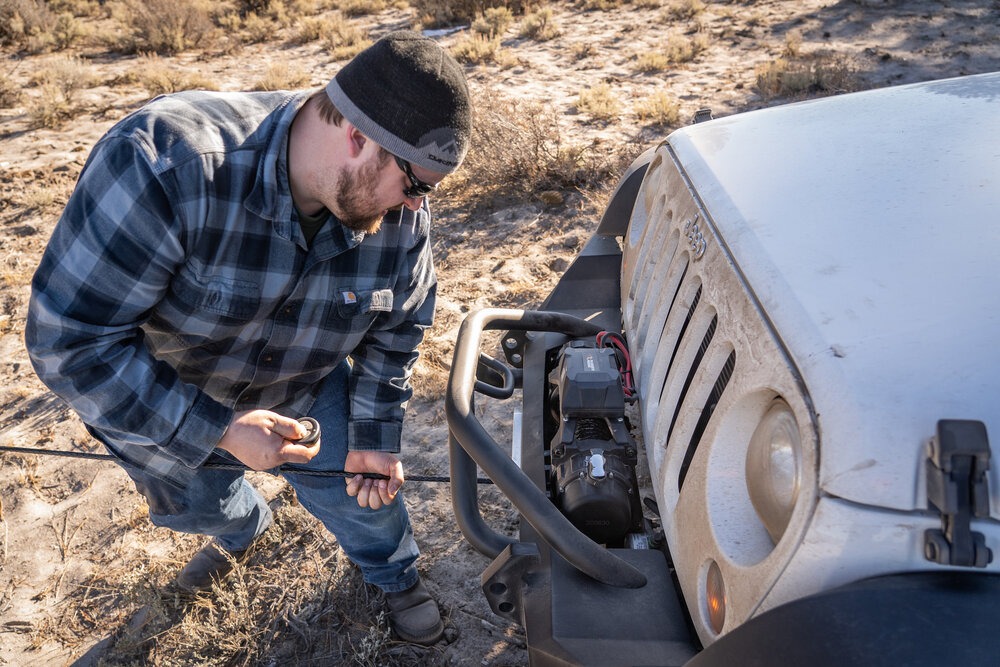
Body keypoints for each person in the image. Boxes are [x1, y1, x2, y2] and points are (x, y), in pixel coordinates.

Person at [24, 30, 471, 646]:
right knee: (199, 505)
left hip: (306, 384)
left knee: (365, 504)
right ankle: (241, 537)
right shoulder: (164, 162)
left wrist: (373, 435)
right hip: (164, 399)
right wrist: (218, 430)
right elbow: (68, 340)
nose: (415, 209)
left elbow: (399, 327)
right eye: (415, 185)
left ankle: (393, 576)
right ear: (358, 135)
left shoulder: (401, 213)